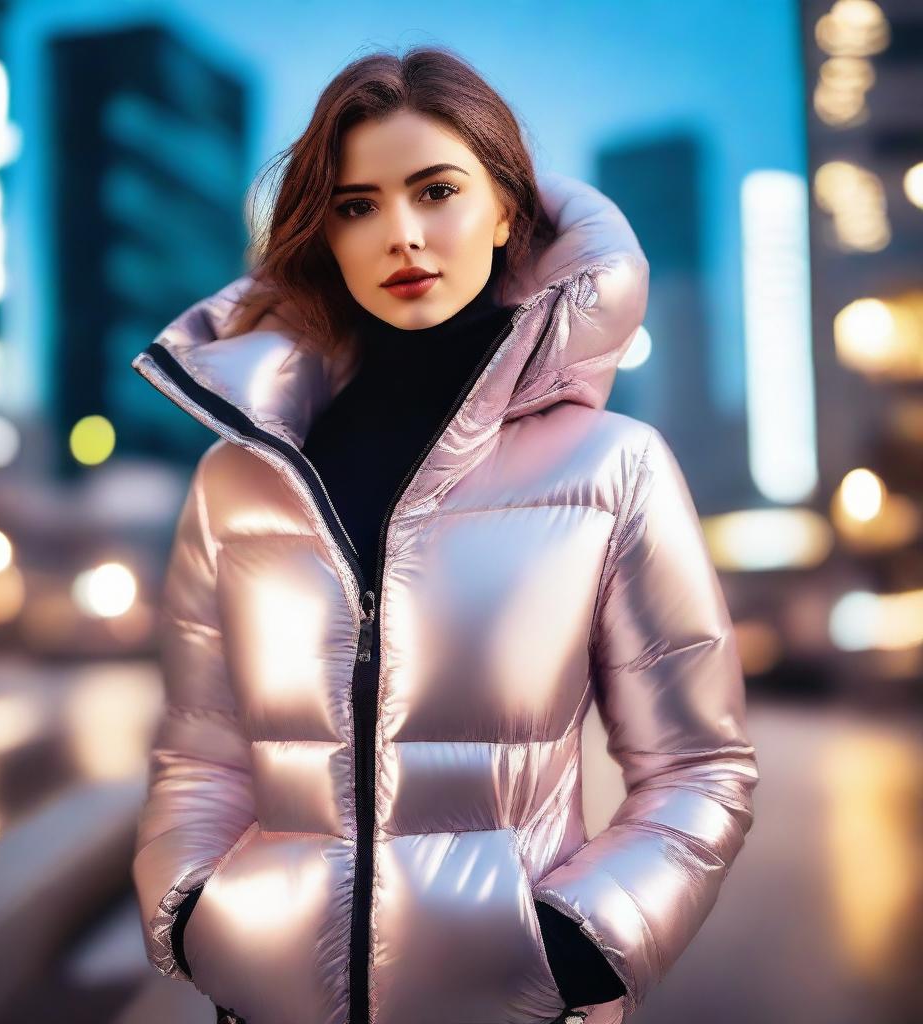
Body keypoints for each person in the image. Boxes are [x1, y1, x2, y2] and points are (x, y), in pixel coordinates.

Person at [129, 46, 759, 1024]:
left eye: (436, 191)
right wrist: (198, 913)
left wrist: (576, 947)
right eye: (357, 205)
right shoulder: (237, 482)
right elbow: (201, 757)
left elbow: (697, 769)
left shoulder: (610, 467)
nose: (403, 234)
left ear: (507, 210)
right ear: (325, 235)